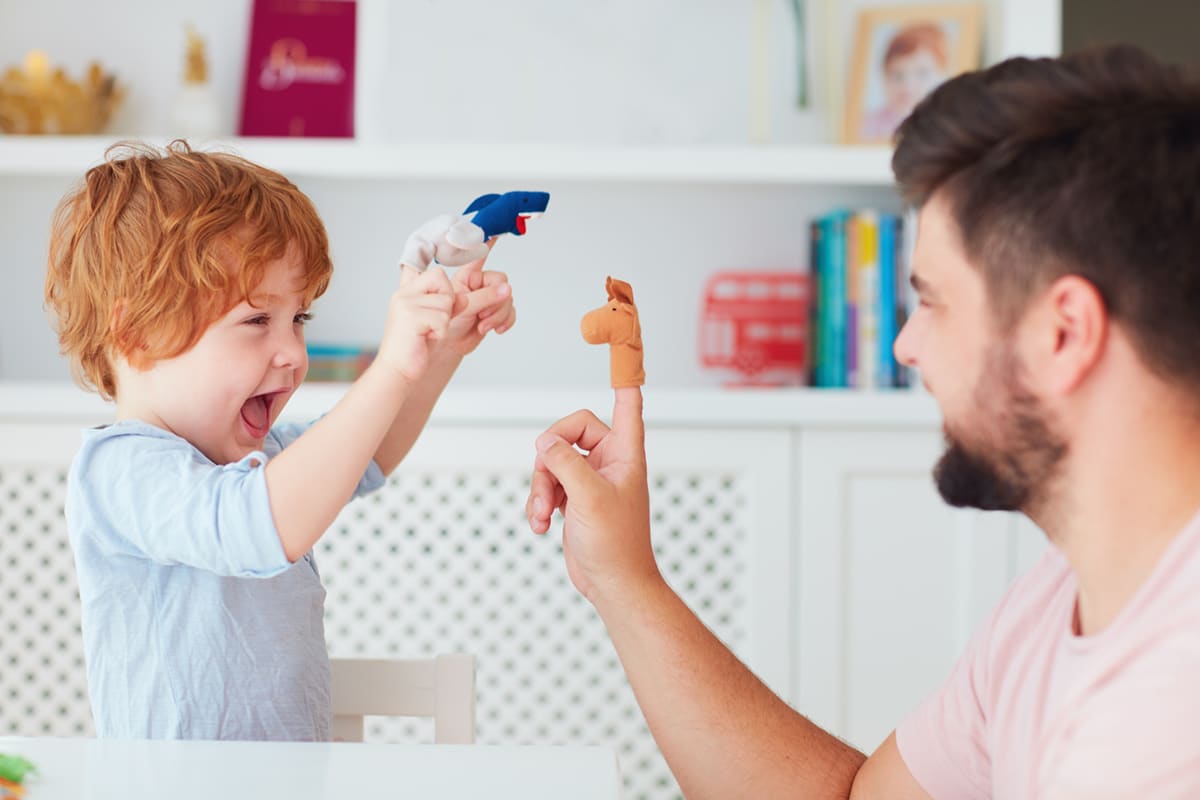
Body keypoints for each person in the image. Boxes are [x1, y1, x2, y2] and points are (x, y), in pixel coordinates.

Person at [527, 44, 1200, 798]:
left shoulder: (1165, 715)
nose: (905, 346)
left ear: (1063, 334)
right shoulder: (1059, 598)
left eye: (933, 303)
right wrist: (625, 578)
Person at [44, 140, 516, 740]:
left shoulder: (256, 461)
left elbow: (365, 451)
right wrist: (392, 367)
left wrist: (436, 351)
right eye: (256, 321)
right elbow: (252, 524)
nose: (294, 353)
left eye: (299, 319)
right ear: (138, 332)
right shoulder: (120, 470)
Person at [860, 22, 950, 142]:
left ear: (944, 74)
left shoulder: (946, 123)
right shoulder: (869, 123)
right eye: (898, 75)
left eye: (922, 73)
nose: (908, 85)